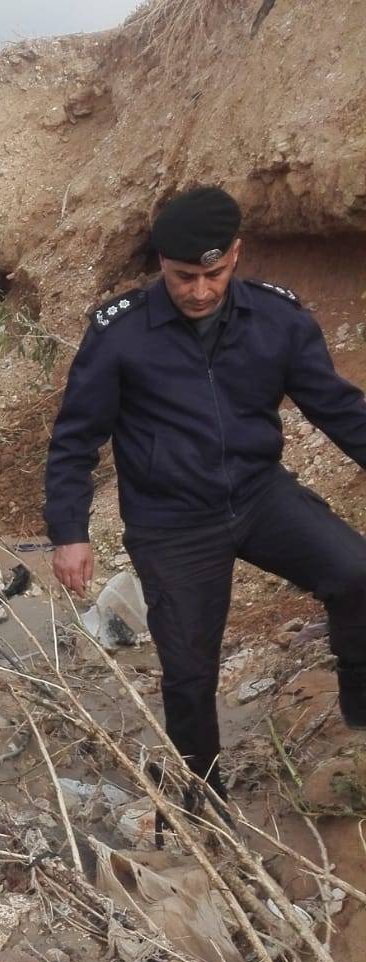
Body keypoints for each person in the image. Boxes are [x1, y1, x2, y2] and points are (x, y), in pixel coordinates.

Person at [44, 185, 366, 800]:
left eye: (213, 275)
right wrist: (68, 531)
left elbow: (340, 410)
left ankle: (359, 710)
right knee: (190, 671)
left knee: (357, 573)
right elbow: (75, 438)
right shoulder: (120, 333)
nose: (199, 291)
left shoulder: (277, 319)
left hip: (260, 494)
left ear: (236, 254)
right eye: (184, 276)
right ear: (161, 264)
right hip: (171, 522)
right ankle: (201, 804)